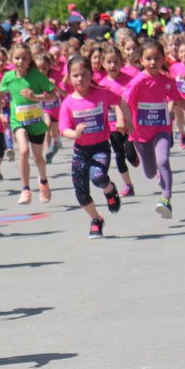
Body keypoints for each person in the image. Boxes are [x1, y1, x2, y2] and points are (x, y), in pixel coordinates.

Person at [123, 40, 185, 219]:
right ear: (141, 60)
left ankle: (166, 199)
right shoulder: (138, 81)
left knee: (163, 160)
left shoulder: (167, 81)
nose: (153, 62)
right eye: (148, 58)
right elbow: (124, 102)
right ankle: (159, 176)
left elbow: (180, 100)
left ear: (163, 59)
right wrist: (124, 121)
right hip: (140, 133)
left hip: (162, 128)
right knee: (150, 171)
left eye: (157, 58)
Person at [59, 55, 129, 238]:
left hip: (100, 147)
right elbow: (63, 128)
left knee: (98, 176)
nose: (80, 79)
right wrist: (75, 134)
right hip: (80, 151)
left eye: (83, 74)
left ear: (91, 74)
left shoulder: (101, 93)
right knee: (81, 192)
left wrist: (124, 120)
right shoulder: (68, 102)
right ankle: (96, 219)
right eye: (75, 75)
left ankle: (110, 190)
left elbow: (120, 101)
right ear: (69, 77)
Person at [0, 42, 56, 204]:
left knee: (38, 157)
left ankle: (43, 181)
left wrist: (36, 97)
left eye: (24, 58)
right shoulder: (8, 77)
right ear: (11, 59)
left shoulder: (36, 76)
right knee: (22, 151)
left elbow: (53, 95)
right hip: (18, 120)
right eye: (17, 58)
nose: (20, 61)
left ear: (29, 60)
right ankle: (25, 189)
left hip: (35, 121)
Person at [98, 43, 137, 197]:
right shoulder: (102, 85)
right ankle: (128, 185)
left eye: (116, 62)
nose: (112, 65)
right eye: (109, 62)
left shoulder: (130, 80)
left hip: (131, 124)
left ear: (122, 62)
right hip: (113, 125)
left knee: (130, 154)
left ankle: (136, 158)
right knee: (119, 154)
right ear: (103, 64)